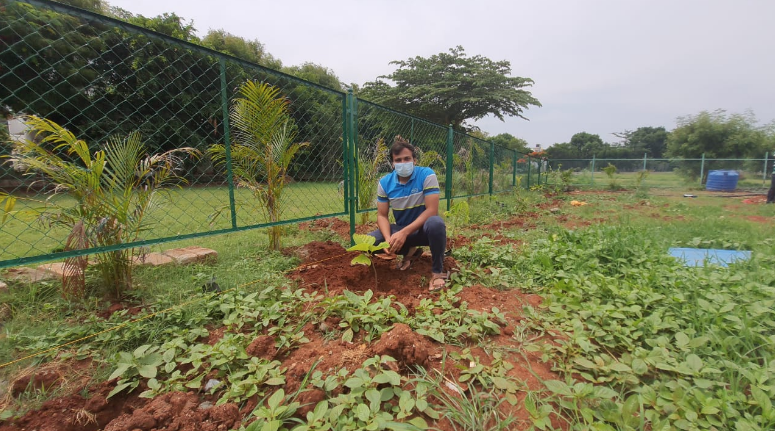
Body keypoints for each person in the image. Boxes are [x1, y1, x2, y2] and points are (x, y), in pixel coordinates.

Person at [369, 136, 449, 291]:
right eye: (398, 160)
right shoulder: (385, 183)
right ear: (392, 163)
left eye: (407, 159)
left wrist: (404, 233)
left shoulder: (427, 175)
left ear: (415, 160)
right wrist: (387, 239)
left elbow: (431, 210)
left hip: (423, 230)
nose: (403, 163)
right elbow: (382, 216)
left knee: (436, 224)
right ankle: (410, 251)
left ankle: (437, 272)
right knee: (371, 242)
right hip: (401, 230)